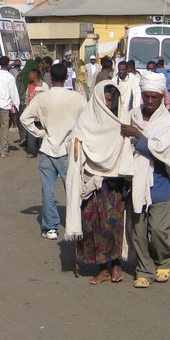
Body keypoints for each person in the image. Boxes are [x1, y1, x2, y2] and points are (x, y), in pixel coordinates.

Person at [120, 72, 170, 288]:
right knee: (137, 231)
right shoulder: (131, 116)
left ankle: (163, 259)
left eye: (153, 97)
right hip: (135, 184)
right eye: (146, 96)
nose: (149, 101)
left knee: (158, 229)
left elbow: (166, 152)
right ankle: (144, 269)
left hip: (159, 184)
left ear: (161, 98)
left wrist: (138, 136)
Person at [67, 81, 134, 284]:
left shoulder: (122, 120)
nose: (108, 103)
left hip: (115, 183)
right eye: (104, 99)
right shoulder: (86, 120)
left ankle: (115, 264)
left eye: (111, 99)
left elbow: (128, 149)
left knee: (113, 223)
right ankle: (102, 268)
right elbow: (75, 146)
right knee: (93, 225)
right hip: (92, 183)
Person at [20, 63, 87, 240]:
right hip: (69, 150)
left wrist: (40, 133)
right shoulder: (77, 98)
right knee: (73, 188)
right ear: (66, 77)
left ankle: (50, 228)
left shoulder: (42, 97)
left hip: (47, 148)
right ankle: (77, 223)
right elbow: (88, 121)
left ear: (50, 76)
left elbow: (24, 117)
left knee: (47, 190)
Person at [22, 67, 49, 157]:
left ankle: (44, 148)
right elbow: (27, 97)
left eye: (30, 74)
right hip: (31, 112)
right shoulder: (29, 85)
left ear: (35, 76)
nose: (29, 76)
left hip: (41, 113)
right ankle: (32, 151)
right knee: (31, 131)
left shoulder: (44, 86)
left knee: (43, 130)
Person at [114, 59, 141, 124]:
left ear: (127, 70)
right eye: (119, 70)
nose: (121, 72)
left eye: (123, 70)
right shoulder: (114, 81)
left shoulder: (133, 79)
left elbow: (137, 95)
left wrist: (136, 110)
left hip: (128, 109)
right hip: (117, 110)